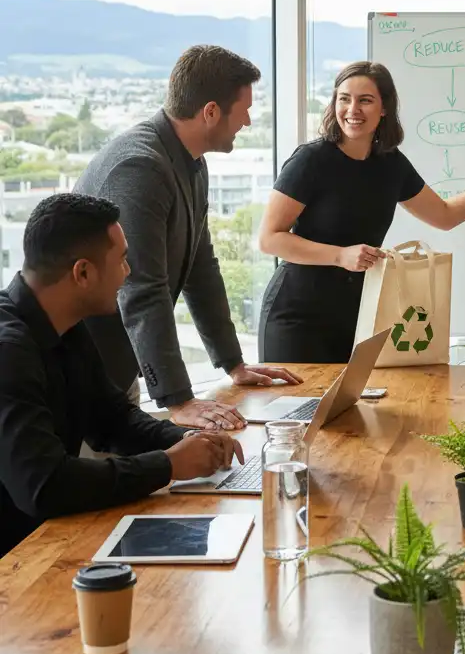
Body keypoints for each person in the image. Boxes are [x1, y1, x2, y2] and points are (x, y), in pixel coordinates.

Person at [0, 194, 244, 557]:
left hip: (48, 543)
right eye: (122, 260)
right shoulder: (9, 351)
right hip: (18, 565)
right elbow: (44, 485)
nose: (128, 273)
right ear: (83, 272)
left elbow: (113, 422)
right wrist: (169, 464)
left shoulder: (67, 326)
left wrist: (194, 440)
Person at [75, 45, 300, 432]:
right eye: (244, 109)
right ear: (210, 111)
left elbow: (201, 267)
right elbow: (142, 289)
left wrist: (234, 363)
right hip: (77, 371)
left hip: (115, 364)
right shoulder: (140, 167)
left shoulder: (191, 162)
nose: (247, 121)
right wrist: (178, 400)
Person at [258, 61, 465, 364]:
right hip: (297, 317)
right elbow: (269, 239)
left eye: (365, 100)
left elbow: (445, 216)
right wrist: (340, 256)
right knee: (296, 411)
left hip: (359, 315)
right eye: (344, 98)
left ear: (383, 108)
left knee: (348, 410)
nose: (352, 109)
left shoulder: (391, 165)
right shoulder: (310, 161)